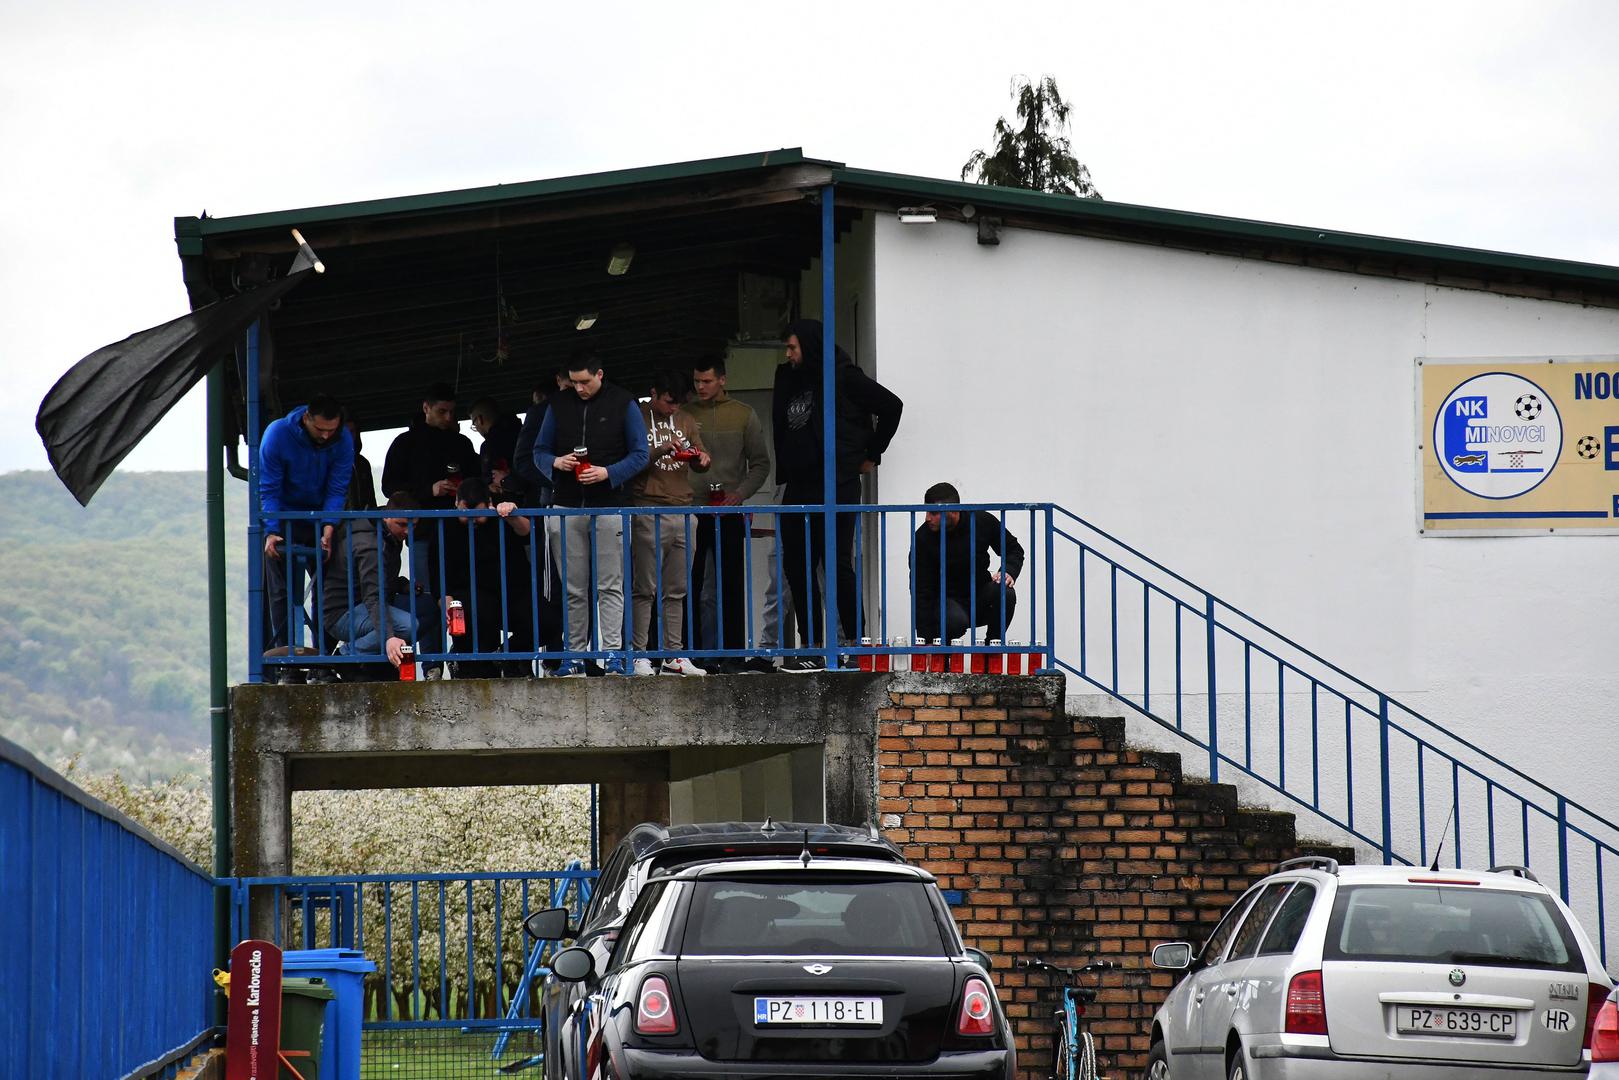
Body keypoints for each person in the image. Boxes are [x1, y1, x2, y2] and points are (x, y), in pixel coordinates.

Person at [772, 319, 903, 671]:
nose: (788, 355)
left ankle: (852, 644)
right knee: (797, 564)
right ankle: (811, 646)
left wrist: (872, 454)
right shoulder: (791, 378)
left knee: (837, 563)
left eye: (793, 347)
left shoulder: (843, 376)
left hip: (836, 482)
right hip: (799, 483)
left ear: (810, 346)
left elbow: (892, 406)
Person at [533, 352, 649, 676]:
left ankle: (612, 654)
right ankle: (574, 656)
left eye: (585, 381)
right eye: (574, 382)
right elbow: (538, 452)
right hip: (566, 504)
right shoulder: (558, 405)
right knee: (573, 587)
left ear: (600, 374)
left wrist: (607, 473)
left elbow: (641, 454)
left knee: (610, 585)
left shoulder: (624, 403)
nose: (579, 388)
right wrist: (556, 463)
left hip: (610, 504)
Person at [685, 356, 772, 673]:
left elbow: (761, 463)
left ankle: (733, 654)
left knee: (731, 583)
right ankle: (690, 654)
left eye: (706, 381)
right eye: (696, 381)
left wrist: (740, 494)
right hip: (692, 509)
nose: (700, 387)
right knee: (691, 582)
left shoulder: (743, 414)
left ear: (722, 379)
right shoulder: (685, 414)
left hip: (729, 509)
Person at [259, 394, 354, 655]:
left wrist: (328, 528)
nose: (325, 436)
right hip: (285, 519)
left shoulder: (342, 438)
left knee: (329, 588)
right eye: (320, 430)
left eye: (331, 431)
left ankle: (322, 657)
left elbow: (337, 488)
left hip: (320, 520)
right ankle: (287, 659)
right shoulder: (277, 434)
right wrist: (272, 531)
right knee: (283, 592)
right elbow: (270, 489)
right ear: (306, 419)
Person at [629, 370, 710, 676]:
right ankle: (638, 654)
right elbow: (630, 461)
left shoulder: (687, 420)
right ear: (654, 392)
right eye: (668, 402)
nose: (673, 408)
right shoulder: (636, 416)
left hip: (684, 508)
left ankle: (672, 655)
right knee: (644, 587)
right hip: (647, 507)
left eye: (678, 403)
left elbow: (702, 457)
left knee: (677, 588)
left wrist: (702, 460)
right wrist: (661, 449)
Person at [318, 498, 430, 677]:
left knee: (427, 610)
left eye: (413, 525)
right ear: (386, 517)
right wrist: (389, 637)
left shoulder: (385, 533)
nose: (407, 531)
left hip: (359, 605)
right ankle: (343, 657)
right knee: (407, 626)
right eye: (401, 524)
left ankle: (372, 665)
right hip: (342, 613)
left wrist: (402, 585)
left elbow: (374, 581)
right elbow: (373, 596)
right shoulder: (370, 545)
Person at [441, 477, 539, 678]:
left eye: (477, 514)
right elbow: (437, 571)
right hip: (472, 596)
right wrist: (444, 597)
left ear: (489, 504)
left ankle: (506, 655)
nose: (471, 519)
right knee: (478, 610)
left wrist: (512, 513)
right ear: (455, 504)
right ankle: (468, 663)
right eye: (464, 513)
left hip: (511, 592)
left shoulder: (500, 517)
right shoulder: (446, 525)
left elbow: (527, 532)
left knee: (547, 620)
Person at [911, 482, 1024, 644]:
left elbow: (1013, 549)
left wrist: (1008, 571)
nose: (927, 517)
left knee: (1005, 592)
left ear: (954, 511)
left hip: (979, 598)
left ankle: (992, 648)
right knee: (954, 620)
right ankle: (943, 659)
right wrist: (925, 638)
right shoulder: (923, 538)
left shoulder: (981, 521)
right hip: (946, 605)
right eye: (926, 511)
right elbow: (921, 590)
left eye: (934, 512)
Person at [469, 397, 524, 498]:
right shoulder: (524, 434)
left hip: (508, 503)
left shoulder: (489, 446)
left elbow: (490, 482)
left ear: (480, 419)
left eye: (474, 423)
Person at [343, 418, 377, 512]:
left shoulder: (363, 463)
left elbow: (371, 498)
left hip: (363, 520)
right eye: (345, 431)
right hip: (338, 522)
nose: (349, 435)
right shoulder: (327, 461)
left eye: (352, 431)